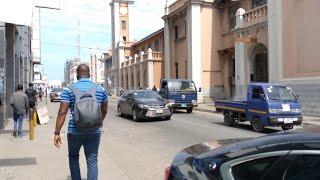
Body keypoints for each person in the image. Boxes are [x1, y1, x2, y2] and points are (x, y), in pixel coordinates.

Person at [54, 64, 108, 180]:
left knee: (73, 157)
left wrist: (57, 133)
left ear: (77, 75)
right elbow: (104, 110)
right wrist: (98, 122)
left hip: (74, 131)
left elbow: (62, 112)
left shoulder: (69, 89)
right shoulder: (100, 89)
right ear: (89, 74)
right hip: (94, 132)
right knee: (92, 161)